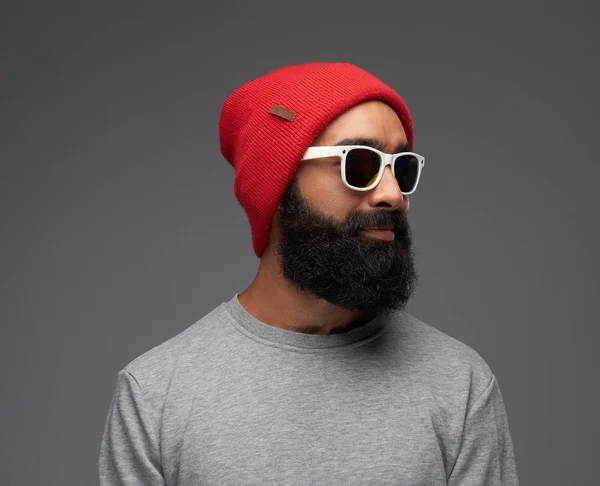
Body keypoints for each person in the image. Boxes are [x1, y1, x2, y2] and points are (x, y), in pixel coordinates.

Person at [98, 62, 520, 485]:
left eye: (402, 167)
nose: (392, 194)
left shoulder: (459, 384)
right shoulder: (156, 394)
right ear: (276, 186)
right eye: (360, 165)